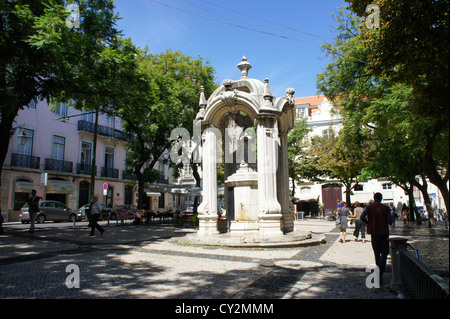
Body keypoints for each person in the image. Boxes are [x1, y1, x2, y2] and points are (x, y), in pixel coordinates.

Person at [360, 192, 393, 285]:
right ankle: (381, 271)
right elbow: (390, 222)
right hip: (384, 233)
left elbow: (362, 217)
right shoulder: (386, 208)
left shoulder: (369, 207)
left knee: (377, 253)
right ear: (381, 198)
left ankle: (378, 271)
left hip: (374, 233)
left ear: (374, 198)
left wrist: (368, 223)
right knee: (385, 253)